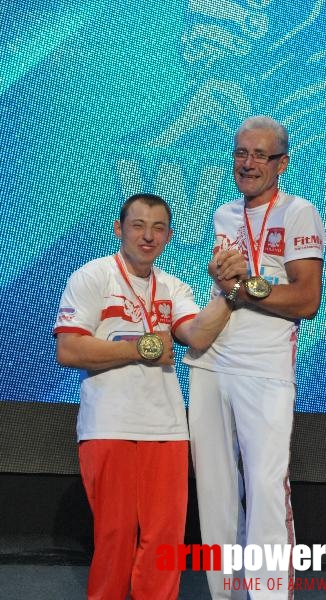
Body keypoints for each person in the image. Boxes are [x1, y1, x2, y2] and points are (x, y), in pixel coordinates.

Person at [53, 193, 236, 600]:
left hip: (168, 430)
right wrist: (142, 348)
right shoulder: (93, 276)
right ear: (119, 229)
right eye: (138, 225)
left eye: (157, 228)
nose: (147, 236)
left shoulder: (175, 287)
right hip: (108, 425)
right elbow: (68, 349)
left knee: (163, 545)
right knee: (115, 541)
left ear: (169, 236)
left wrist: (232, 293)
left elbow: (198, 335)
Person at [184, 116, 326, 598]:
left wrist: (246, 284)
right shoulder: (224, 214)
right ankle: (223, 593)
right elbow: (230, 289)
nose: (247, 164)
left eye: (260, 155)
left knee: (265, 491)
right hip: (211, 361)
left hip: (264, 368)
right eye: (241, 153)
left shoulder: (299, 213)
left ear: (282, 163)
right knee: (214, 492)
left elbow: (306, 300)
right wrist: (229, 286)